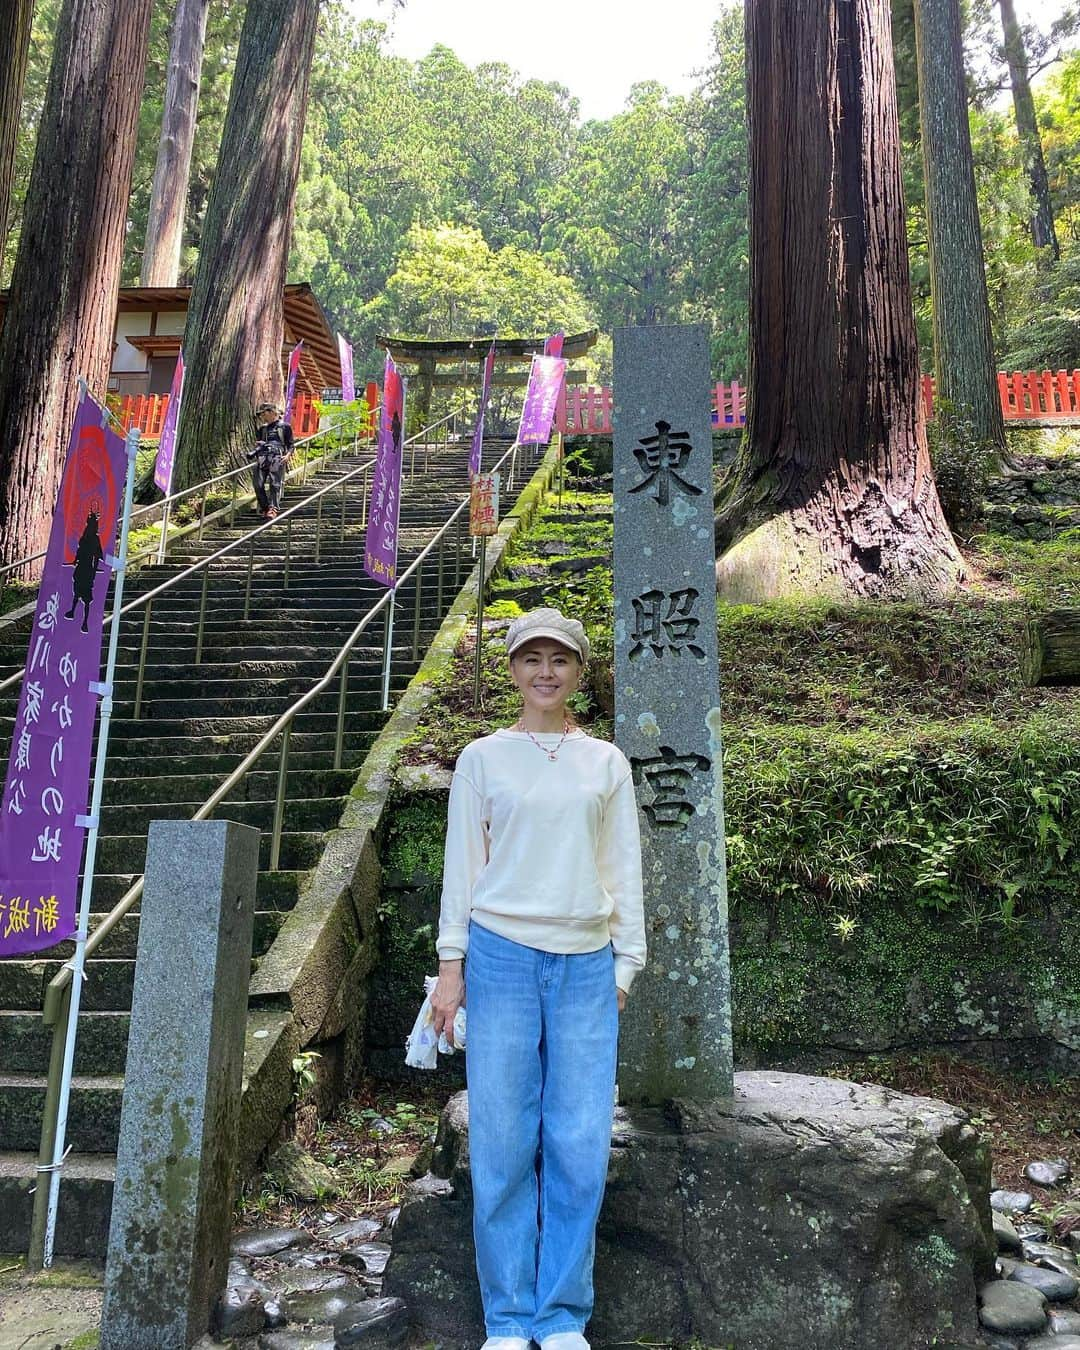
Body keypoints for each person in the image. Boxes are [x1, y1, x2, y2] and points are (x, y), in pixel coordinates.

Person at [431, 606, 646, 1350]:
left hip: (587, 962)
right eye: (532, 659)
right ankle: (508, 1318)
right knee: (500, 1136)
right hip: (500, 957)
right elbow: (464, 866)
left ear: (580, 671)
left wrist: (626, 964)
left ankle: (560, 1317)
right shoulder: (483, 758)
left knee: (581, 1141)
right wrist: (449, 968)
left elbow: (624, 868)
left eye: (560, 660)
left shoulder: (606, 763)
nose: (545, 672)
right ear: (515, 670)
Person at [248, 402, 294, 518]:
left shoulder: (285, 426)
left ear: (272, 412)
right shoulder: (262, 429)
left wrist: (287, 455)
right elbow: (259, 443)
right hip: (263, 457)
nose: (262, 417)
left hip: (277, 456)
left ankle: (273, 508)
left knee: (275, 483)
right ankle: (265, 507)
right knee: (258, 484)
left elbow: (291, 444)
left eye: (264, 413)